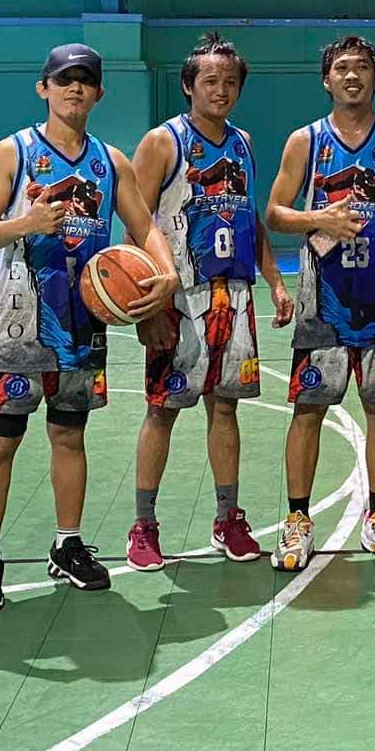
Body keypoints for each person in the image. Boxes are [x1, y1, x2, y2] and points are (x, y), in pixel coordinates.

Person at [0, 43, 176, 614]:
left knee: (69, 436)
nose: (74, 89)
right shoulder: (14, 152)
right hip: (20, 323)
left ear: (99, 93)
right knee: (0, 443)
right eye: (64, 80)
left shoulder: (111, 161)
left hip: (82, 322)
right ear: (44, 88)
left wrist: (168, 273)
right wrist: (24, 223)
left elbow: (144, 226)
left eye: (85, 81)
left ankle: (68, 544)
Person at [264, 34, 375, 570]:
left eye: (362, 68)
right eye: (342, 68)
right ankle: (296, 520)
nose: (352, 75)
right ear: (326, 79)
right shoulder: (305, 141)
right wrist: (320, 219)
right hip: (323, 304)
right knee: (308, 410)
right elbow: (275, 213)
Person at [128, 32, 294, 570]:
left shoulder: (242, 142)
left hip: (236, 297)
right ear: (187, 86)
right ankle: (144, 527)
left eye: (229, 82)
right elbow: (135, 227)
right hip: (179, 301)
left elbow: (249, 220)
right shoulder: (162, 142)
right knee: (162, 412)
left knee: (226, 410)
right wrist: (149, 307)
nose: (220, 90)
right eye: (209, 81)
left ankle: (228, 517)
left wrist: (275, 281)